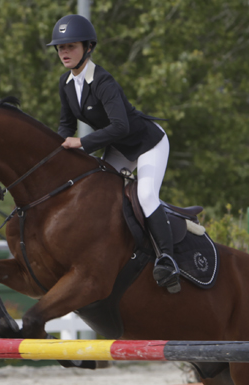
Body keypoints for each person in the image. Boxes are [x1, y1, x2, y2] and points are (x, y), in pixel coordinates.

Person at [48, 14, 180, 292]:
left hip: (148, 143)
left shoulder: (103, 81)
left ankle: (167, 259)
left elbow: (120, 126)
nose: (64, 52)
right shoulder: (66, 84)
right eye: (60, 48)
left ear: (88, 48)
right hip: (119, 147)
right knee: (97, 191)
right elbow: (66, 125)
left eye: (70, 46)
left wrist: (82, 144)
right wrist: (56, 153)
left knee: (145, 194)